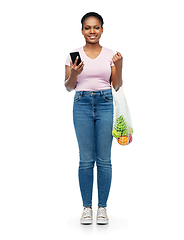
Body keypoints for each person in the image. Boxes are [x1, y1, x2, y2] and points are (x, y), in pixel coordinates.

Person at [65, 12, 123, 225]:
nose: (92, 31)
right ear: (82, 30)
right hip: (81, 104)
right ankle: (87, 207)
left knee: (104, 159)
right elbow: (69, 87)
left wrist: (120, 65)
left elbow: (116, 85)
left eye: (96, 27)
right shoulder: (74, 55)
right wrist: (74, 73)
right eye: (88, 27)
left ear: (102, 29)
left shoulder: (111, 54)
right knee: (86, 159)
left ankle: (102, 208)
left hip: (105, 103)